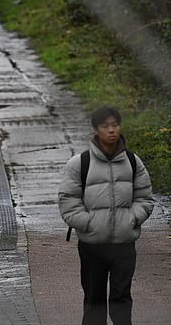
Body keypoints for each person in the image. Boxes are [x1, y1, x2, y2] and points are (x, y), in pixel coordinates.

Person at [58, 106, 154, 325]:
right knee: (94, 302)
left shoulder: (132, 161)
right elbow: (68, 201)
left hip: (124, 245)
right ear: (95, 130)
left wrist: (132, 219)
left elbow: (145, 198)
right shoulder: (79, 163)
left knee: (122, 300)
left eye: (115, 125)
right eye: (105, 126)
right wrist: (88, 223)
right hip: (93, 245)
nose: (111, 130)